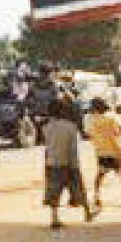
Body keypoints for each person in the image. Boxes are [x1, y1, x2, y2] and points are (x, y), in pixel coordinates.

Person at [42, 97, 95, 230]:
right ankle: (87, 213)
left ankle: (54, 219)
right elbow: (73, 149)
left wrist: (47, 163)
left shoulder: (46, 128)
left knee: (54, 192)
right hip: (69, 163)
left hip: (52, 162)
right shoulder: (71, 127)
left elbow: (47, 147)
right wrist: (75, 165)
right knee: (78, 189)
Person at [86, 97, 121, 209]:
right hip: (115, 150)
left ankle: (97, 197)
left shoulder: (90, 119)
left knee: (100, 174)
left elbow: (88, 134)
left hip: (101, 151)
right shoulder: (111, 117)